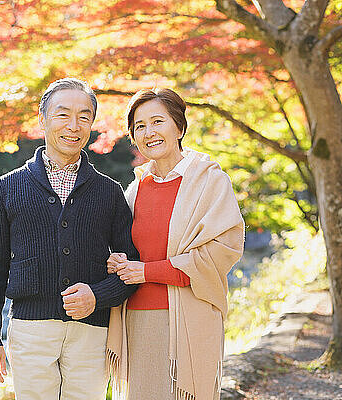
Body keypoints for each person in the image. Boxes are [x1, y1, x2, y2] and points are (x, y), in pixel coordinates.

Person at [0, 77, 139, 400]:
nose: (73, 126)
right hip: (29, 330)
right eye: (63, 114)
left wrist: (97, 295)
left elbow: (132, 269)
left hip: (91, 331)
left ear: (92, 124)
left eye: (84, 116)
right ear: (43, 119)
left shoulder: (109, 192)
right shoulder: (10, 186)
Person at [105, 88, 245, 400]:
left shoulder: (210, 181)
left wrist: (147, 272)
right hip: (136, 319)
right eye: (139, 126)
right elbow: (127, 253)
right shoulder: (134, 189)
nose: (149, 132)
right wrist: (117, 261)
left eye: (157, 121)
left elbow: (220, 252)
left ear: (179, 127)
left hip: (189, 317)